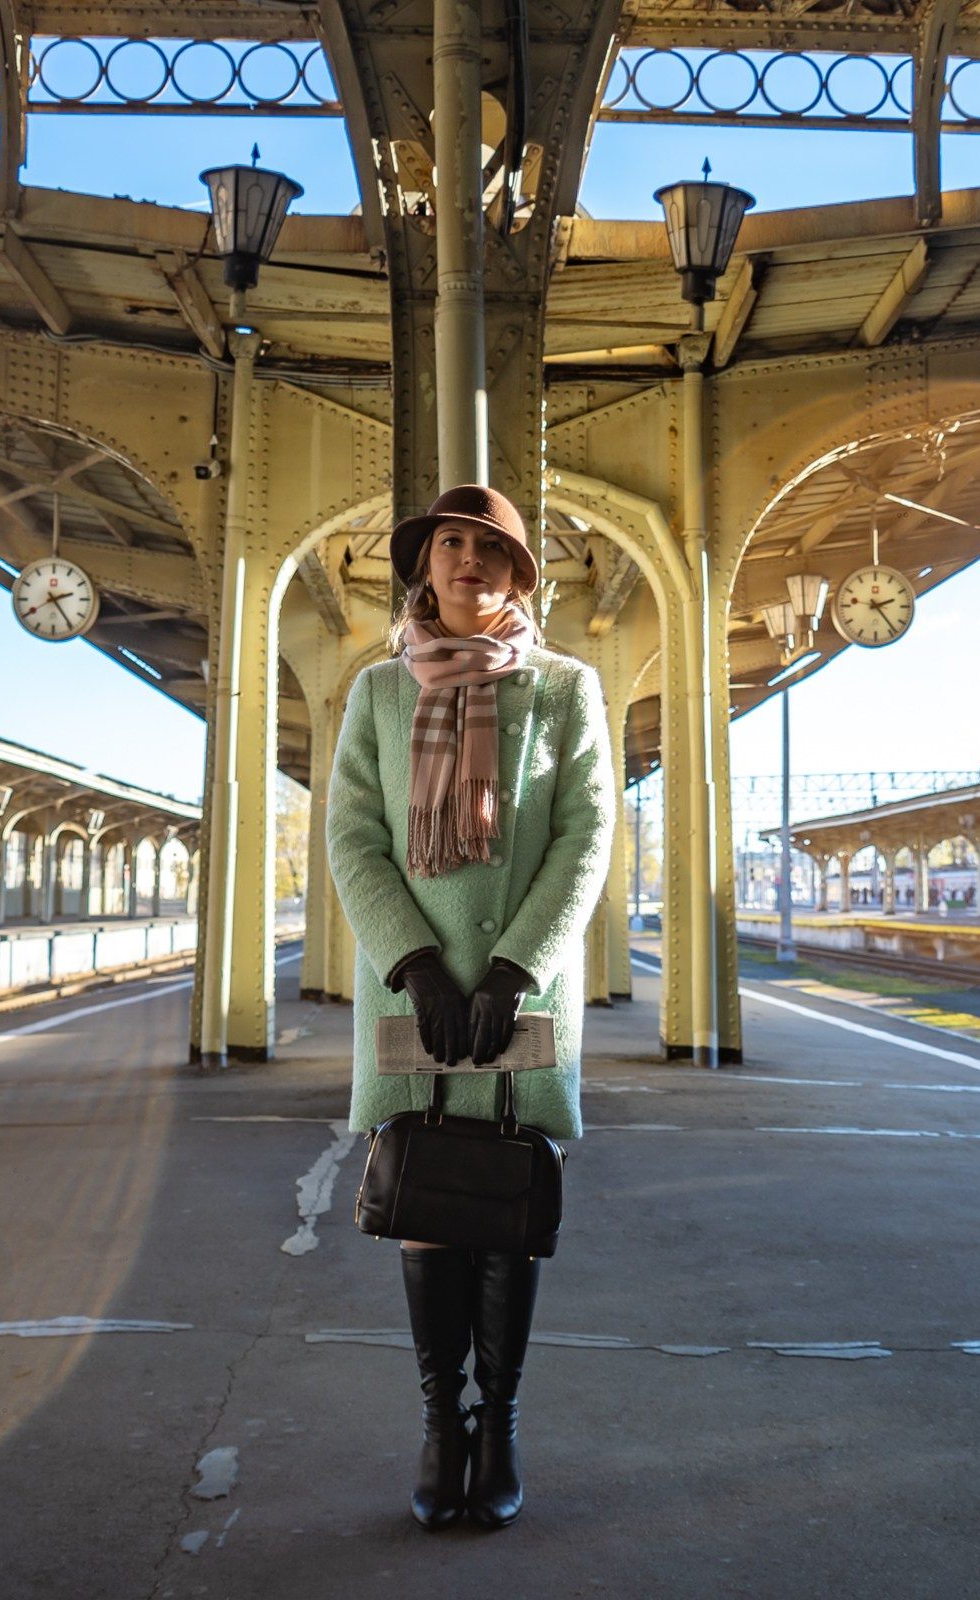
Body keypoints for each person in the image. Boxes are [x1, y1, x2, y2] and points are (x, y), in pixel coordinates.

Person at [325, 483, 615, 1532]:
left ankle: (500, 1427)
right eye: (451, 542)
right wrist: (413, 962)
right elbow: (353, 835)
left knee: (506, 1205)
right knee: (427, 1202)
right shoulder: (376, 692)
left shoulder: (567, 688)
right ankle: (440, 1425)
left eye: (491, 548)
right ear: (426, 564)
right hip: (411, 986)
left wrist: (513, 967)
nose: (468, 560)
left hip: (520, 990)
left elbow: (586, 834)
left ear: (518, 575)